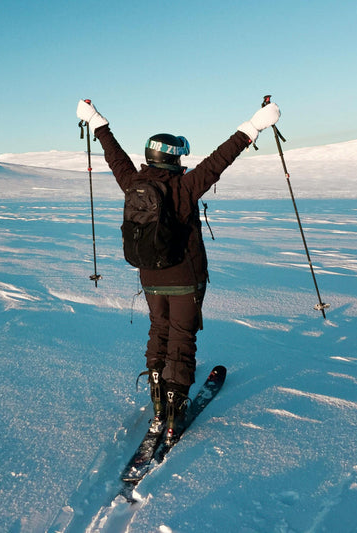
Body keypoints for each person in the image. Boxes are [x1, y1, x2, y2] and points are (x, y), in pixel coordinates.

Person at [76, 98, 280, 438]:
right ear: (173, 159)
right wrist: (254, 125)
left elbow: (114, 155)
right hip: (186, 278)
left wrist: (96, 120)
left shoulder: (133, 183)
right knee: (182, 341)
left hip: (151, 278)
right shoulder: (185, 188)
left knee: (159, 333)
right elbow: (220, 159)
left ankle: (159, 403)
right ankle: (175, 413)